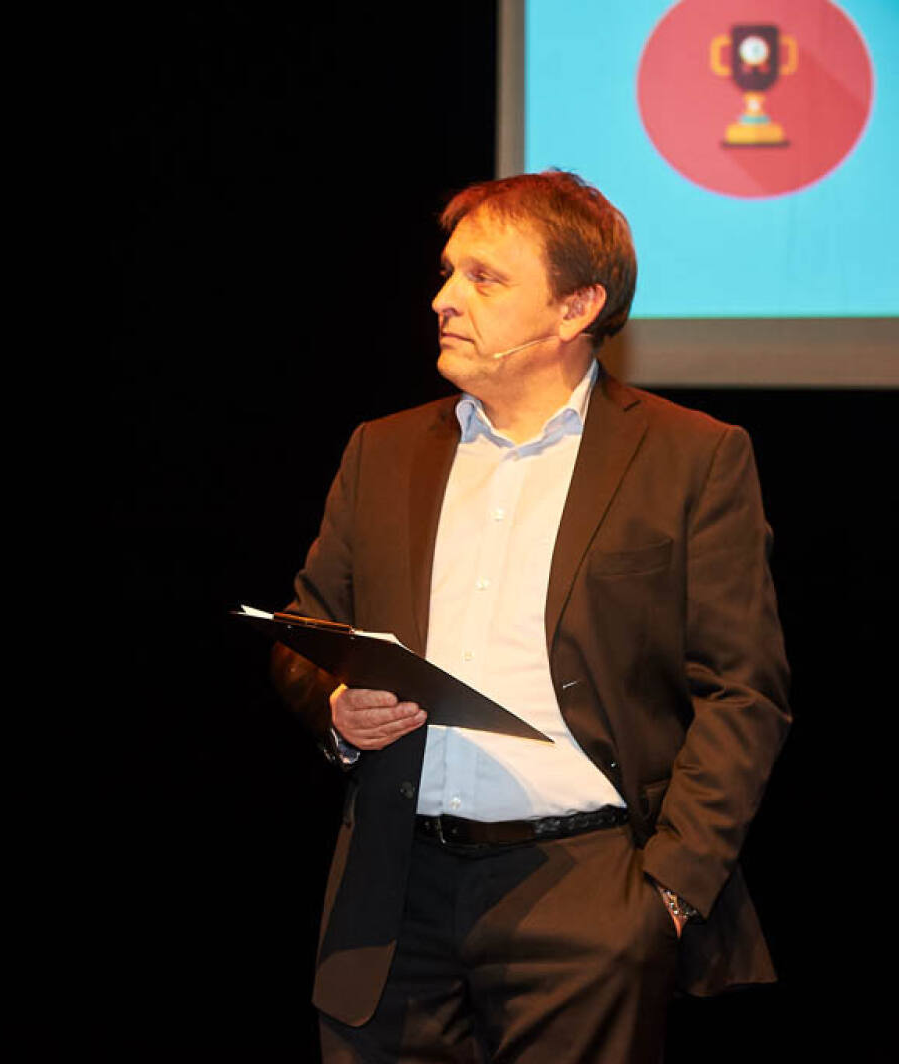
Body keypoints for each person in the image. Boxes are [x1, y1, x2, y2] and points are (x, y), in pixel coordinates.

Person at [272, 170, 790, 1062]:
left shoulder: (690, 457)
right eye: (448, 272)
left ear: (576, 307)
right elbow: (305, 633)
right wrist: (336, 708)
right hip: (391, 894)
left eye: (484, 277)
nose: (444, 299)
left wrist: (667, 892)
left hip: (586, 894)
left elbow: (745, 692)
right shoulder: (382, 450)